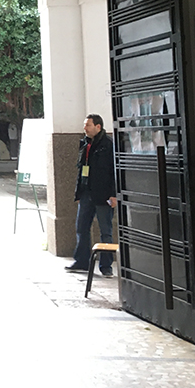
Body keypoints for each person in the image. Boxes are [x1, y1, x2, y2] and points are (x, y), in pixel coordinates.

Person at [66, 114, 117, 276]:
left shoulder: (108, 145)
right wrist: (79, 193)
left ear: (98, 127)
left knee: (105, 231)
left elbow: (114, 171)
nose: (85, 128)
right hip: (86, 192)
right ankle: (82, 261)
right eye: (85, 125)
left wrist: (113, 194)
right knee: (82, 227)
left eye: (88, 125)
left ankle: (106, 266)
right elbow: (81, 169)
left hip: (103, 194)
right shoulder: (84, 143)